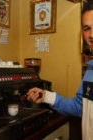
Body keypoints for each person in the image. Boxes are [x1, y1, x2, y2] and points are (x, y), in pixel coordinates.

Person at [27, 1, 93, 140]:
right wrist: (46, 96)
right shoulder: (90, 71)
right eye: (87, 28)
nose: (91, 34)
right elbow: (80, 107)